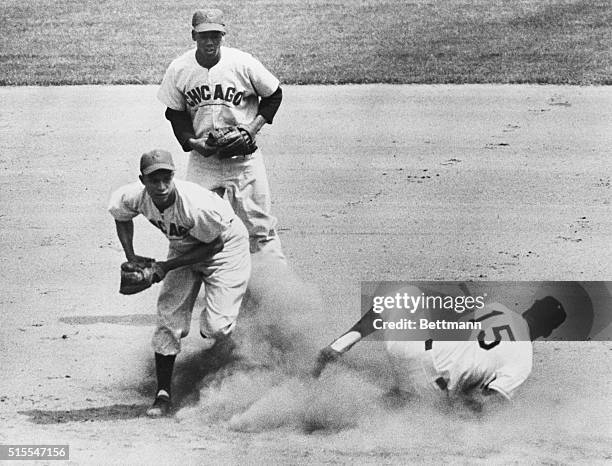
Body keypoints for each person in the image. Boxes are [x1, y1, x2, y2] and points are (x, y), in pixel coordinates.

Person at [108, 149, 251, 417]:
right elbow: (120, 214)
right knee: (168, 319)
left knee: (216, 327)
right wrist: (131, 255)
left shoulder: (195, 205)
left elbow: (214, 245)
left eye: (166, 178)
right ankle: (163, 394)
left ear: (174, 176)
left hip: (225, 248)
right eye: (154, 180)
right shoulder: (134, 196)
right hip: (183, 246)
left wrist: (164, 267)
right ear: (143, 180)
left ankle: (241, 358)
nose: (161, 186)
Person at [157, 8, 285, 262]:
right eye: (204, 36)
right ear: (193, 35)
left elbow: (273, 95)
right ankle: (201, 286)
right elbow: (175, 112)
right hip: (204, 162)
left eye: (215, 35)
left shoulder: (242, 63)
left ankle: (275, 290)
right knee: (192, 225)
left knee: (260, 229)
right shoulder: (180, 68)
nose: (210, 41)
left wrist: (252, 128)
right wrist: (192, 141)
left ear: (223, 35)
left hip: (244, 162)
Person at [313, 285, 567, 411]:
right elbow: (483, 403)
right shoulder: (524, 362)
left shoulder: (499, 309)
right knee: (413, 396)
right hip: (431, 388)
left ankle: (340, 345)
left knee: (405, 294)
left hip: (408, 349)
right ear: (547, 331)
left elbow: (453, 325)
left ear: (530, 308)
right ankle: (394, 400)